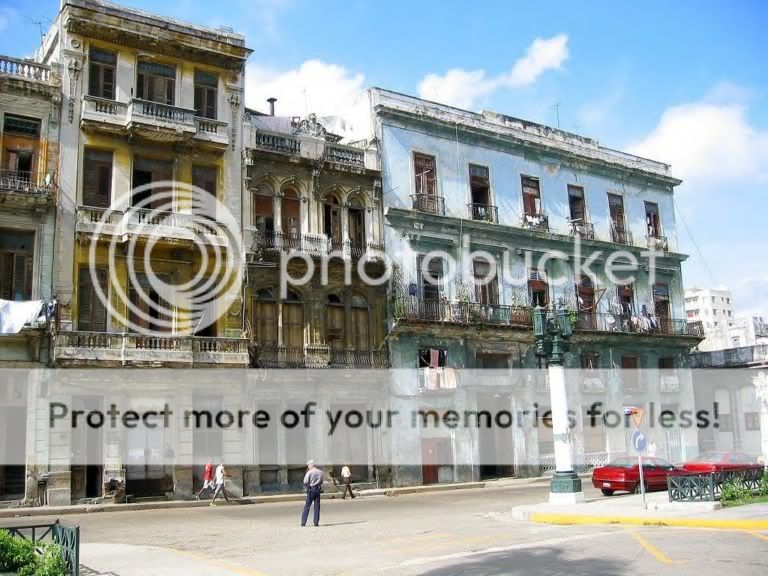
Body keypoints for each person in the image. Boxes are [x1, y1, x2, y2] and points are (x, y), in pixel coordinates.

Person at [301, 460, 323, 526]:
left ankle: (303, 522)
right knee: (317, 506)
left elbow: (305, 481)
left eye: (308, 466)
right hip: (317, 489)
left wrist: (308, 486)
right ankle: (316, 522)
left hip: (311, 490)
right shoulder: (320, 472)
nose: (308, 467)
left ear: (311, 465)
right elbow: (321, 481)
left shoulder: (309, 472)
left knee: (307, 506)